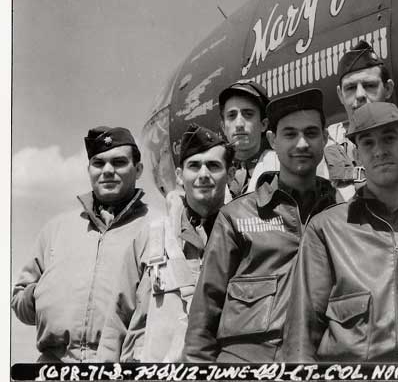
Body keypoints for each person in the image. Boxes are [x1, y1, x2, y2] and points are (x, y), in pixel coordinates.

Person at [283, 102, 398, 362]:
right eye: (368, 143)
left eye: (388, 138)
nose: (379, 151)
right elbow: (301, 338)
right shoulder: (326, 230)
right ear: (357, 155)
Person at [183, 88, 338, 362]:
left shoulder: (342, 216)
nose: (301, 144)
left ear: (325, 139)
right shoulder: (236, 217)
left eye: (311, 133)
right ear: (272, 140)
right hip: (245, 372)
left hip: (316, 370)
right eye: (290, 134)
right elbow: (203, 319)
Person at [11, 126, 156, 362]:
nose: (107, 171)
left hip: (125, 370)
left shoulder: (156, 226)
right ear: (89, 170)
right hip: (54, 369)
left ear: (138, 169)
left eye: (119, 162)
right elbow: (19, 303)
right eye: (98, 164)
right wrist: (44, 294)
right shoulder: (56, 229)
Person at [97, 124, 233, 362]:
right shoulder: (152, 235)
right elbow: (117, 320)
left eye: (213, 166)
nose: (203, 174)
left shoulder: (242, 237)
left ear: (230, 175)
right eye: (194, 166)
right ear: (180, 176)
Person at [325, 40, 398, 199]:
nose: (360, 95)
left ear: (388, 89)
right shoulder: (323, 156)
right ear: (340, 95)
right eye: (351, 88)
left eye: (369, 85)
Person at [218, 80, 275, 197]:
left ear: (263, 124)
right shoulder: (213, 174)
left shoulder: (281, 167)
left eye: (248, 114)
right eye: (232, 115)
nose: (239, 124)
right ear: (223, 127)